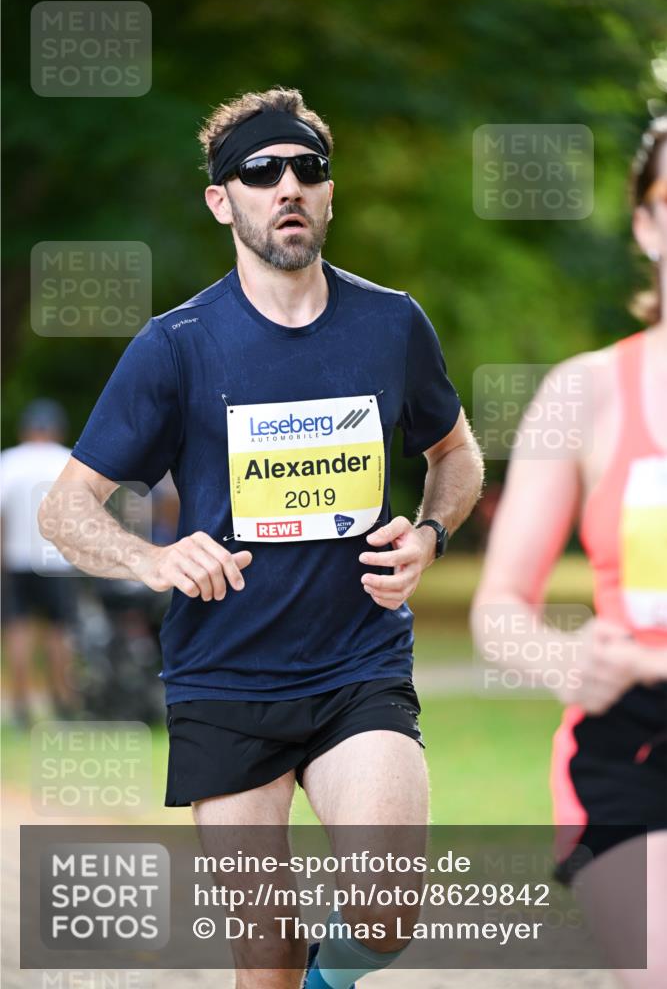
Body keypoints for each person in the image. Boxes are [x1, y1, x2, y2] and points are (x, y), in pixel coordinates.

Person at [39, 86, 484, 989]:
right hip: (224, 676)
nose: (287, 185)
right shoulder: (176, 344)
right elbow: (65, 510)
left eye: (306, 169)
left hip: (356, 663)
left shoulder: (391, 323)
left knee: (388, 903)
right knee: (265, 952)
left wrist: (430, 535)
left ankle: (333, 975)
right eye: (260, 171)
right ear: (221, 199)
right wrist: (152, 557)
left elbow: (457, 453)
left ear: (328, 192)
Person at [471, 117, 667, 987]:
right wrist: (559, 658)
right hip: (635, 739)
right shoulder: (581, 393)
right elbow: (497, 608)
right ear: (644, 225)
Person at [1, 398, 80, 726]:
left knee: (17, 629)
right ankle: (62, 700)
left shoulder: (9, 461)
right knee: (59, 631)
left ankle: (20, 704)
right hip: (58, 559)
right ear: (57, 429)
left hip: (18, 559)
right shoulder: (67, 461)